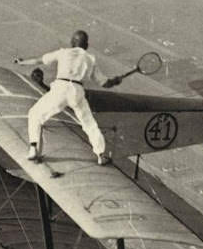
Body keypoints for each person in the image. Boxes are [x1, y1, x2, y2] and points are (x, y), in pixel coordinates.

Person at [14, 30, 122, 166]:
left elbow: (38, 60)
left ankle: (33, 148)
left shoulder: (63, 52)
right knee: (89, 124)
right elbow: (105, 83)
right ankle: (101, 155)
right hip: (77, 91)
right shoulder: (90, 59)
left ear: (72, 43)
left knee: (34, 114)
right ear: (86, 45)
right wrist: (115, 81)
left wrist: (22, 62)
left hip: (60, 88)